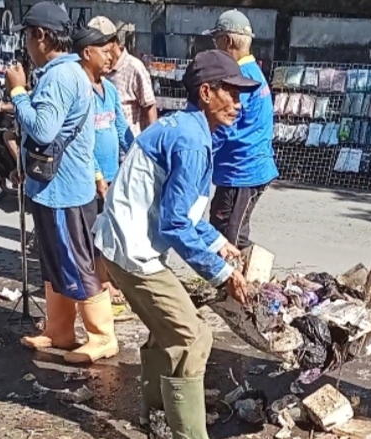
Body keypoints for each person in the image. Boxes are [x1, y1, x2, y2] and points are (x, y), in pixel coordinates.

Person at [92, 50, 255, 439]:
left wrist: (218, 244)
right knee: (194, 336)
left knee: (166, 330)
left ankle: (157, 416)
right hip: (134, 252)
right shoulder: (191, 141)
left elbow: (184, 212)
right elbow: (175, 222)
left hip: (122, 244)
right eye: (230, 93)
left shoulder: (188, 129)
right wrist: (222, 274)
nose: (238, 103)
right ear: (206, 92)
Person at [5, 1, 118, 364]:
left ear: (39, 35)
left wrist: (18, 92)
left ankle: (102, 336)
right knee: (54, 263)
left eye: (27, 37)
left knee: (76, 262)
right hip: (53, 189)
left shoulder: (59, 76)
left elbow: (42, 129)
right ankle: (60, 330)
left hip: (64, 193)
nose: (25, 46)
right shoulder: (69, 71)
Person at [203, 9, 278, 250]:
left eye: (216, 40)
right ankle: (248, 278)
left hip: (242, 172)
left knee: (228, 237)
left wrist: (201, 153)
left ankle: (241, 283)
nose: (215, 47)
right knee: (226, 229)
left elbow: (225, 123)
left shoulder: (239, 75)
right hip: (246, 168)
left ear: (228, 41)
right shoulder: (253, 71)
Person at [72, 25, 133, 306]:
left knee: (109, 231)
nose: (111, 58)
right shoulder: (80, 90)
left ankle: (106, 277)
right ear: (87, 53)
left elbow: (120, 126)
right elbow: (83, 140)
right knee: (93, 235)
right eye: (105, 53)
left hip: (113, 174)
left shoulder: (108, 88)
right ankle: (101, 283)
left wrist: (136, 151)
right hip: (89, 177)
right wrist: (98, 177)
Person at [89, 16, 157, 138]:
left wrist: (152, 143)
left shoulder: (134, 67)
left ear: (113, 43)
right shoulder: (94, 68)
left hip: (129, 144)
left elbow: (150, 106)